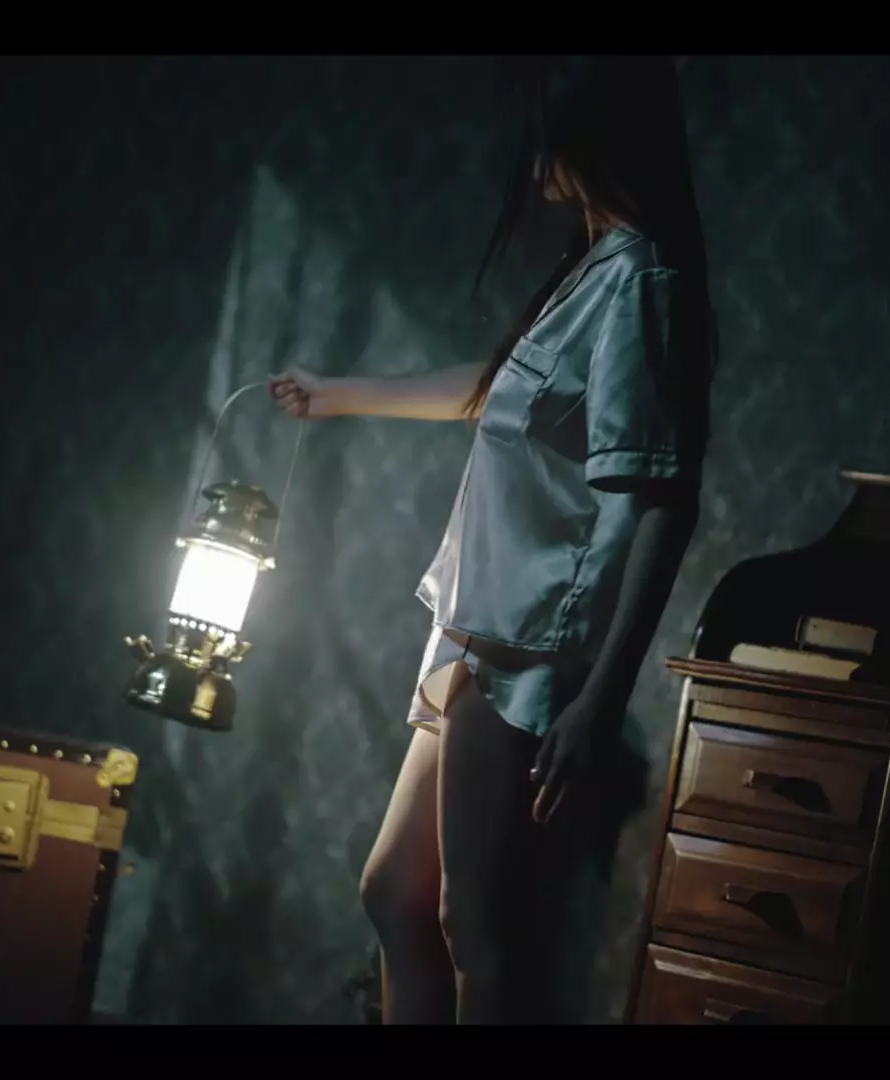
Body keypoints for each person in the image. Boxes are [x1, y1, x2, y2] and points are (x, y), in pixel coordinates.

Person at [269, 56, 716, 1024]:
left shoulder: (642, 280)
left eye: (548, 135)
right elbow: (498, 390)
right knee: (396, 896)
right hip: (481, 626)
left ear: (597, 137)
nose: (532, 158)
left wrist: (599, 699)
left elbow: (660, 501)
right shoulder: (596, 266)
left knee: (472, 926)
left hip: (527, 640)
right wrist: (338, 394)